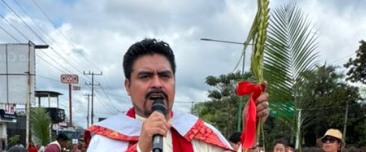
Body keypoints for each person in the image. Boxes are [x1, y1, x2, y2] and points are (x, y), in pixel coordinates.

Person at [85, 38, 270, 152]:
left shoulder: (199, 132)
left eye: (165, 75)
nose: (157, 83)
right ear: (128, 86)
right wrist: (142, 148)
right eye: (145, 76)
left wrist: (250, 126)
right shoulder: (105, 140)